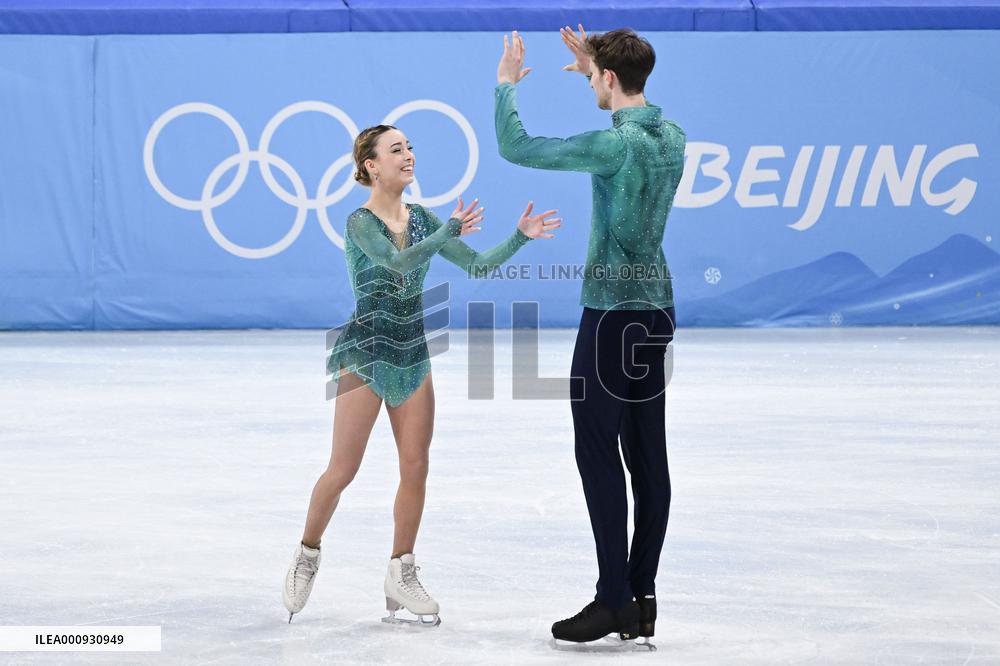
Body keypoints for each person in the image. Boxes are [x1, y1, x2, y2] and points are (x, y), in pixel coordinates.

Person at [283, 124, 561, 625]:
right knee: (342, 470)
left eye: (410, 146)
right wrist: (445, 233)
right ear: (371, 165)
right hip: (367, 351)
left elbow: (476, 265)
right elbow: (394, 262)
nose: (408, 155)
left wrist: (520, 237)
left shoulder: (425, 219)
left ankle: (401, 569)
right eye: (396, 150)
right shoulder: (359, 222)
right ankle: (307, 552)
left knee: (416, 466)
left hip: (412, 351)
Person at [494, 26, 685, 646]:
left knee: (597, 450)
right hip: (655, 311)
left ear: (607, 78)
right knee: (647, 453)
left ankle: (612, 598)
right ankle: (642, 598)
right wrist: (595, 67)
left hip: (610, 315)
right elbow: (621, 100)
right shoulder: (671, 135)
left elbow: (516, 147)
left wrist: (505, 87)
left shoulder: (614, 146)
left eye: (595, 74)